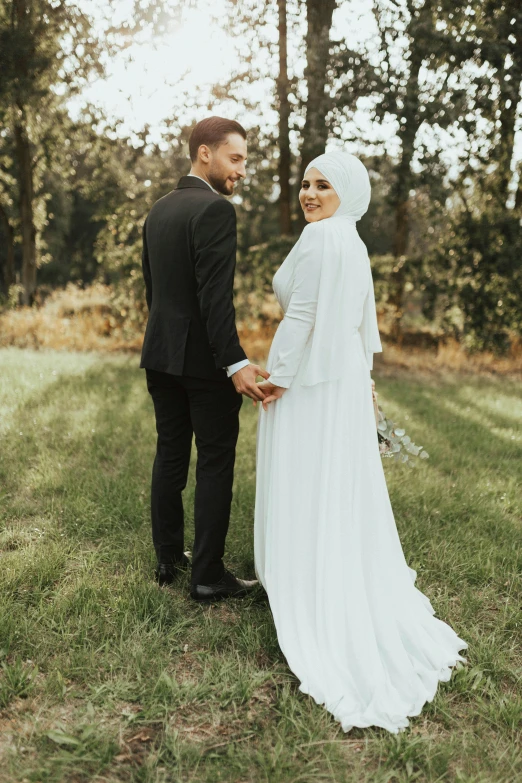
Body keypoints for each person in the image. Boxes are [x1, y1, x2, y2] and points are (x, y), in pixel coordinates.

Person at [254, 151, 467, 733]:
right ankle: (323, 563)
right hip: (342, 378)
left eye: (323, 185)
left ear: (347, 191)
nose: (309, 193)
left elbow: (302, 316)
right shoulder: (350, 241)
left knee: (308, 473)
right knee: (334, 479)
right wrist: (367, 385)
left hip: (312, 382)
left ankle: (305, 578)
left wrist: (279, 376)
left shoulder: (325, 239)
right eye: (304, 183)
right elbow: (361, 327)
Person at [140, 116, 268, 602]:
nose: (240, 171)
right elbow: (216, 299)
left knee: (170, 452)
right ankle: (208, 575)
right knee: (215, 460)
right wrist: (233, 362)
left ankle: (169, 559)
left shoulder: (159, 210)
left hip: (160, 354)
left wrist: (165, 340)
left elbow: (155, 291)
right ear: (205, 154)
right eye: (235, 159)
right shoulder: (215, 211)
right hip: (203, 362)